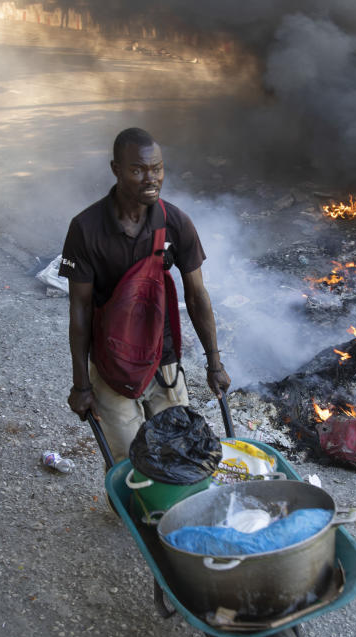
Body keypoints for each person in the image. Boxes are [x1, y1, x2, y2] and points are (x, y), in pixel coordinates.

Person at [60, 127, 230, 461]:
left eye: (157, 169)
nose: (151, 178)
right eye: (138, 170)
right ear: (116, 169)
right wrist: (81, 384)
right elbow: (79, 310)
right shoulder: (86, 228)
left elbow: (196, 296)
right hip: (111, 365)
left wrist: (214, 363)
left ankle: (174, 514)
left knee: (181, 455)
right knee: (129, 461)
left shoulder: (175, 223)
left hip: (164, 359)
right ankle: (132, 513)